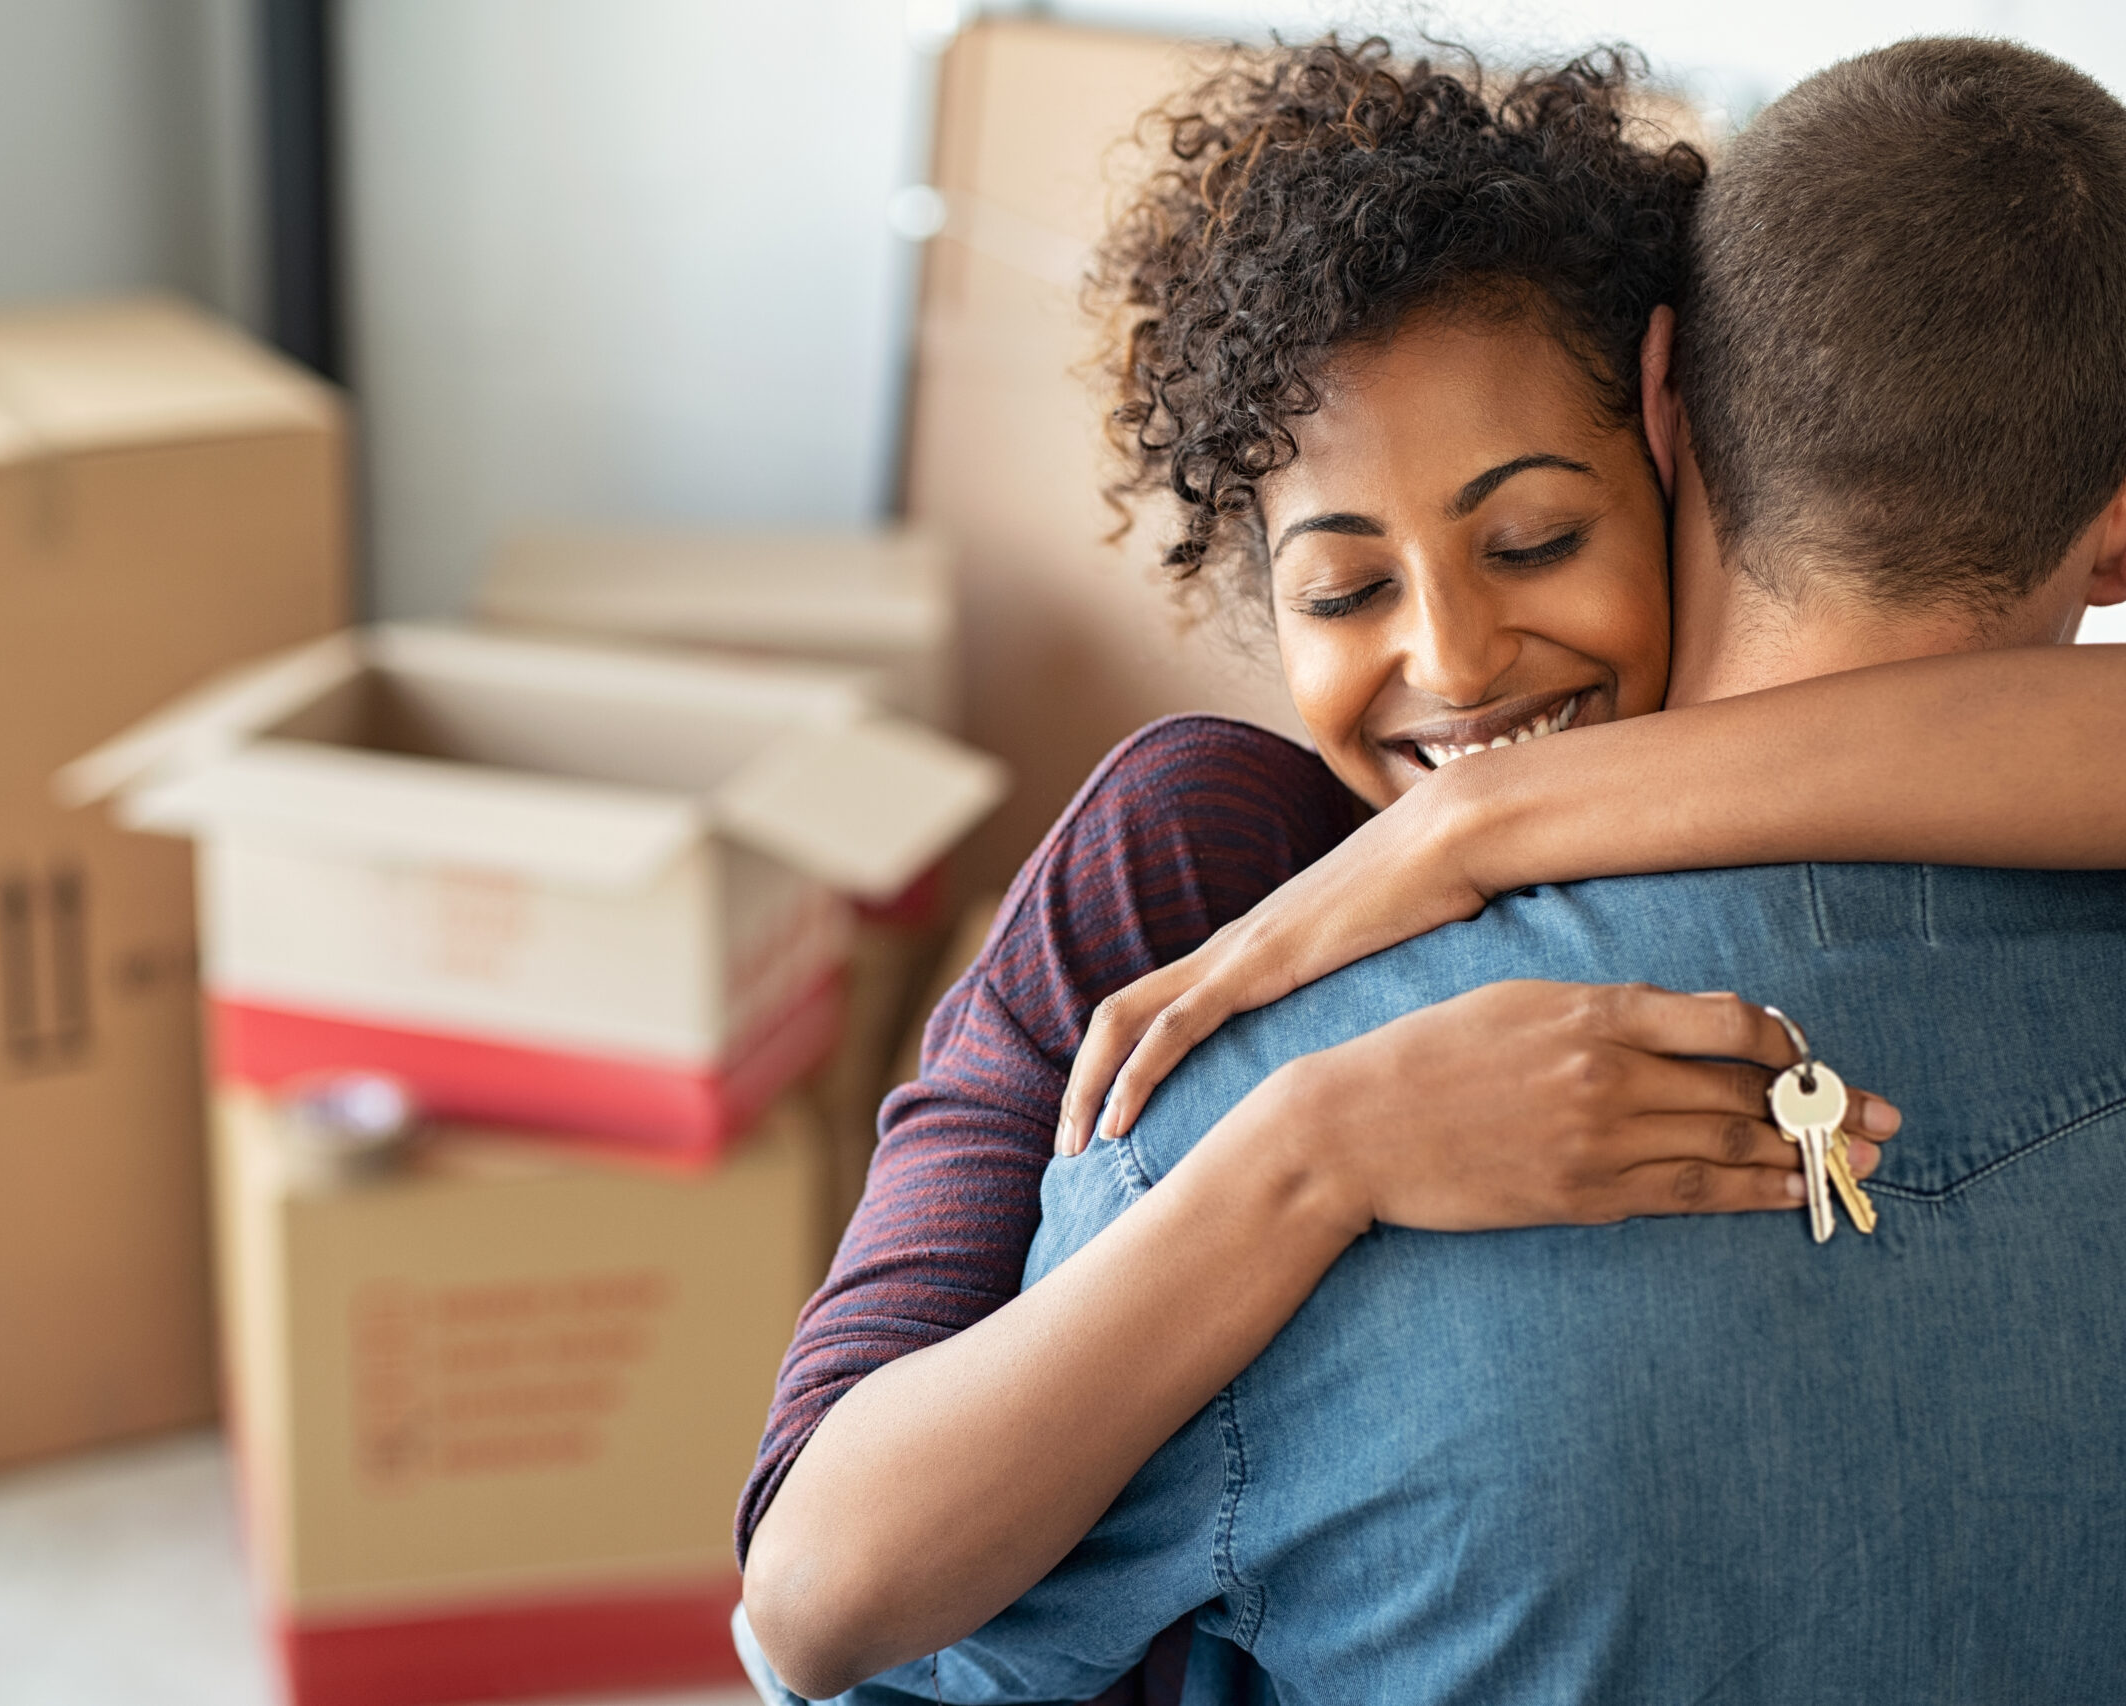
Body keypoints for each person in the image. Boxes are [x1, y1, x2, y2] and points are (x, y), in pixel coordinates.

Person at [757, 34, 2126, 1704]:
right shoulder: (1184, 906)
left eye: (1537, 540)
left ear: (1662, 410)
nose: (1460, 661)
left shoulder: (1291, 1028)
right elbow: (811, 1600)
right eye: (1344, 592)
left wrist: (1472, 831)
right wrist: (1317, 1148)